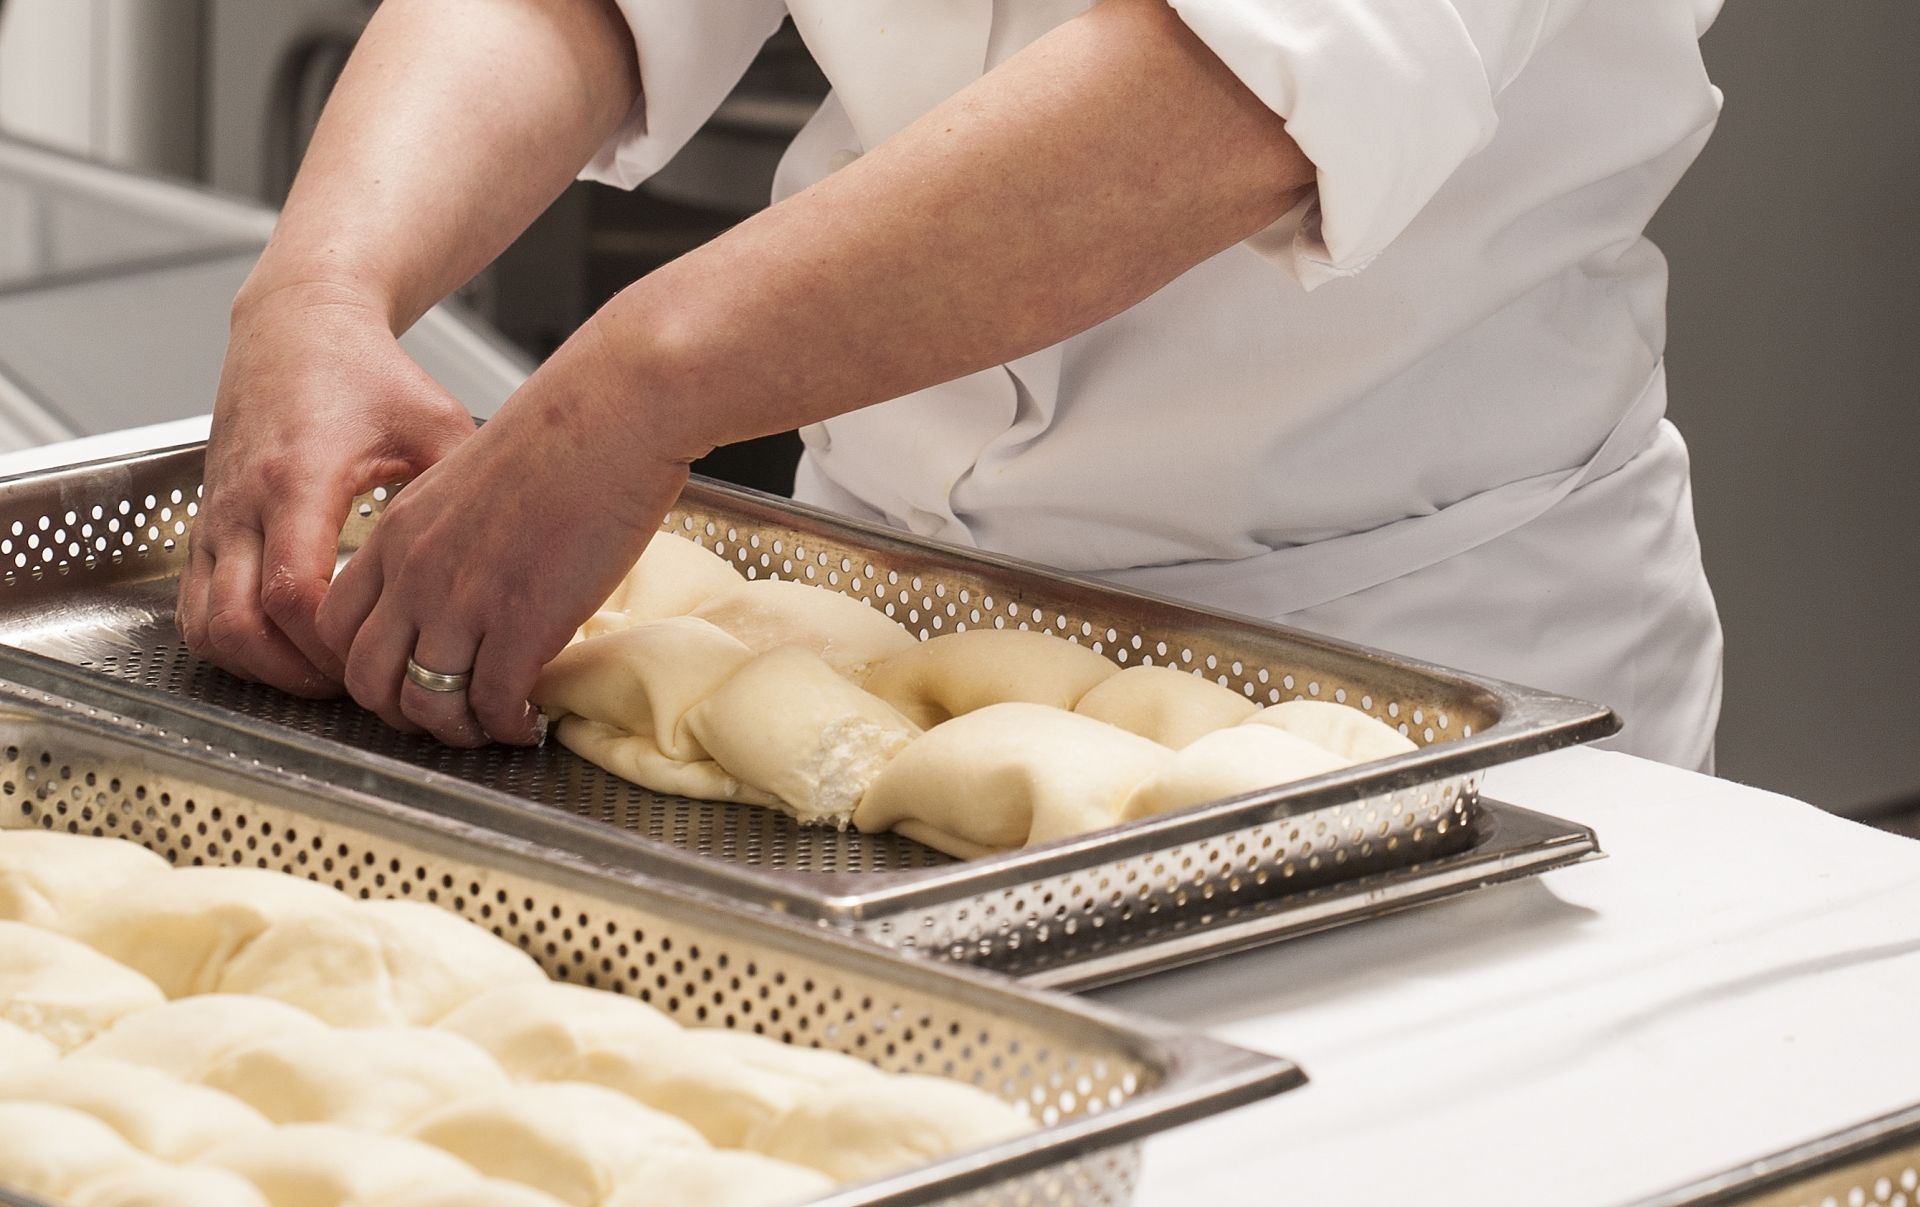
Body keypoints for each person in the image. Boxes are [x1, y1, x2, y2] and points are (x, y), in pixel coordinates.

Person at [179, 0, 1726, 770]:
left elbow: (1244, 92)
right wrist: (323, 283)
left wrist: (634, 390)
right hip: (851, 627)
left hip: (1403, 653)